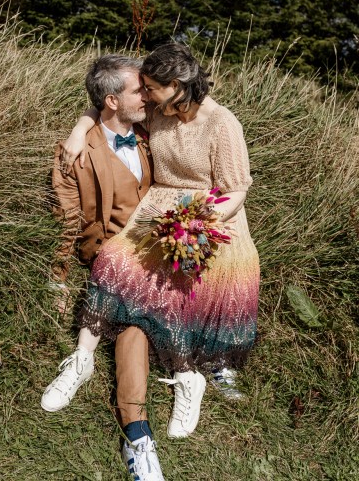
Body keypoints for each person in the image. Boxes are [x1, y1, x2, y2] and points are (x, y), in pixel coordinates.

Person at [63, 44, 260, 474]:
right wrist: (80, 128)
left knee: (184, 284)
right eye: (144, 89)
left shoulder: (222, 123)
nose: (147, 96)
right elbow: (104, 110)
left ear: (178, 87)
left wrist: (196, 221)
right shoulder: (158, 113)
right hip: (157, 209)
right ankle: (81, 358)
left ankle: (194, 372)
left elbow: (236, 189)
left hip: (209, 213)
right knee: (114, 260)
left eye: (153, 88)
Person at [41, 54, 165, 480]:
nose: (148, 95)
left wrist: (84, 118)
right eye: (139, 91)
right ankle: (139, 434)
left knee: (133, 312)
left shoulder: (153, 131)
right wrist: (57, 281)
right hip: (109, 254)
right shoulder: (75, 152)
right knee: (133, 318)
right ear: (112, 100)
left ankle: (85, 359)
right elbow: (67, 222)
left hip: (158, 252)